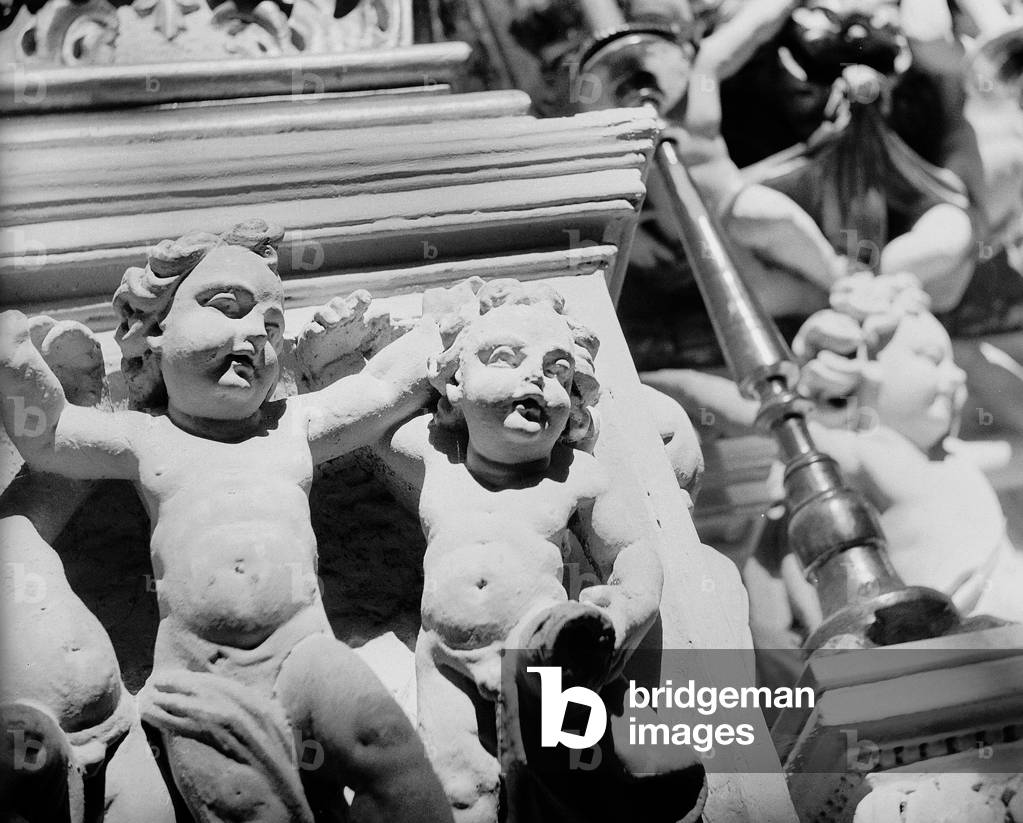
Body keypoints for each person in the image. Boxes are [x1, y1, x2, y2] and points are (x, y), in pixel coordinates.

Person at [0, 219, 453, 823]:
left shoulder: (290, 427)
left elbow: (377, 390)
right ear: (155, 333)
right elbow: (51, 435)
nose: (255, 337)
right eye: (225, 307)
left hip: (304, 653)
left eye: (271, 325)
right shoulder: (146, 438)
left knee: (388, 747)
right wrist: (13, 363)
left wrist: (440, 329)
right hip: (202, 676)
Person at [376, 279, 700, 823]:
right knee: (462, 793)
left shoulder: (577, 478)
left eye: (559, 372)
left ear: (573, 407)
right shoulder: (428, 454)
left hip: (541, 649)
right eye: (505, 357)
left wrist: (624, 613)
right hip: (444, 656)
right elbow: (374, 404)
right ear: (454, 384)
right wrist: (437, 331)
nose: (536, 377)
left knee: (569, 777)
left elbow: (633, 554)